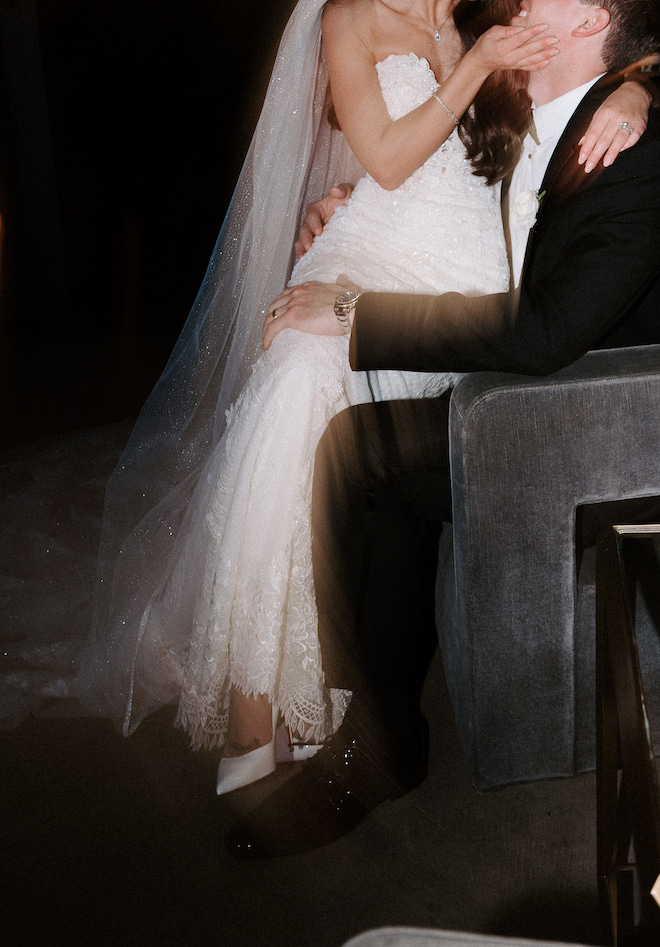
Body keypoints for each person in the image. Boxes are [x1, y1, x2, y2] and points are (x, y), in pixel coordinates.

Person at [224, 0, 660, 857]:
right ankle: (379, 729)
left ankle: (376, 747)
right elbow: (443, 161)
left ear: (594, 18)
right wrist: (345, 205)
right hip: (522, 385)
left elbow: (542, 332)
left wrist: (352, 308)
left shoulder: (632, 151)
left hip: (575, 423)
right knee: (357, 453)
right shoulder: (538, 87)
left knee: (360, 460)